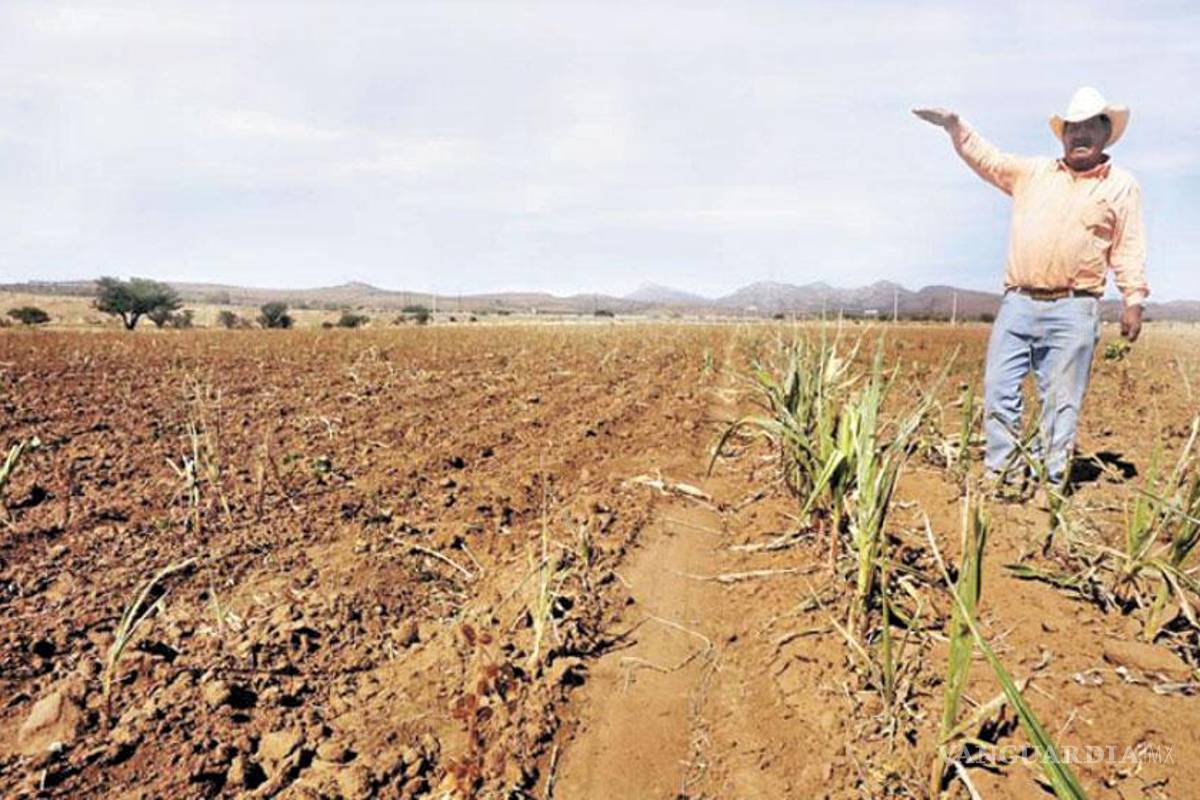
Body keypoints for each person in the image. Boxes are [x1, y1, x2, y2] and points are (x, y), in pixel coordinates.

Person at [913, 87, 1149, 488]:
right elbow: (988, 158)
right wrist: (955, 126)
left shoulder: (1121, 186)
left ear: (1106, 134)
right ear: (1062, 135)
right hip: (1018, 303)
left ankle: (1049, 480)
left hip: (1076, 308)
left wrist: (1133, 299)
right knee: (999, 388)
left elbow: (1128, 245)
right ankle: (1002, 474)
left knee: (1061, 401)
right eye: (1073, 127)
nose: (1080, 135)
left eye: (1091, 127)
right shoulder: (1033, 173)